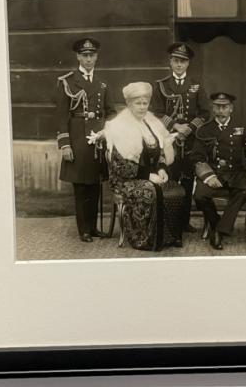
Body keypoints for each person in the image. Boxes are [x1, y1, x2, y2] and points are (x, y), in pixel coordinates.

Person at [104, 82, 185, 251]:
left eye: (145, 103)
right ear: (129, 104)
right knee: (149, 191)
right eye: (138, 103)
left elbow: (162, 149)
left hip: (151, 174)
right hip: (126, 179)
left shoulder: (153, 123)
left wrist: (162, 168)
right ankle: (146, 238)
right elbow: (121, 165)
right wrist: (148, 175)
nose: (142, 107)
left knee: (176, 189)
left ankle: (169, 236)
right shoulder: (119, 126)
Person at [55, 37, 116, 243]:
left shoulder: (102, 84)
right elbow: (61, 116)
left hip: (97, 141)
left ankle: (93, 227)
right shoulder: (68, 82)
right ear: (78, 57)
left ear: (97, 57)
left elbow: (111, 112)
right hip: (78, 139)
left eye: (92, 55)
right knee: (81, 187)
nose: (89, 59)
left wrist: (106, 131)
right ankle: (84, 230)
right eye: (85, 55)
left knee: (95, 185)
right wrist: (65, 144)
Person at [151, 42, 210, 233]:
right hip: (168, 140)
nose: (179, 65)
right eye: (176, 60)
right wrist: (176, 126)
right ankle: (169, 220)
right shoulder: (161, 85)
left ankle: (184, 221)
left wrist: (189, 128)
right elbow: (156, 113)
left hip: (190, 140)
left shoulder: (196, 86)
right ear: (170, 62)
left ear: (188, 64)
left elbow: (205, 113)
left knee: (187, 179)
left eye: (183, 61)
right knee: (169, 177)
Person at [191, 92, 246, 250]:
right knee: (199, 196)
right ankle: (219, 225)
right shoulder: (204, 130)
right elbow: (197, 157)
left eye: (225, 107)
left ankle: (218, 231)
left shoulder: (241, 128)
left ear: (231, 108)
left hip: (236, 173)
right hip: (213, 173)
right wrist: (208, 177)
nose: (221, 110)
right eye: (217, 107)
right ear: (213, 108)